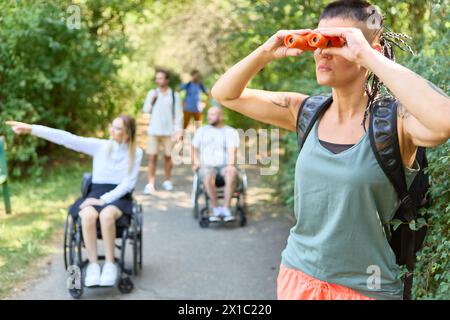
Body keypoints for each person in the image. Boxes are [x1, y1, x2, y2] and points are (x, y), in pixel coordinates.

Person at [211, 0, 450, 300]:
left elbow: (444, 121)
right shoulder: (304, 111)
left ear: (366, 51)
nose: (322, 51)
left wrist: (368, 55)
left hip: (367, 289)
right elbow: (225, 93)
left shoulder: (396, 123)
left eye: (338, 43)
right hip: (297, 278)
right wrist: (267, 50)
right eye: (320, 40)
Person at [6, 115, 143, 287]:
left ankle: (109, 265)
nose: (111, 130)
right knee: (87, 215)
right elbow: (67, 138)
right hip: (96, 191)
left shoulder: (136, 153)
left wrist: (104, 200)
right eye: (112, 126)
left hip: (118, 195)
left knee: (107, 215)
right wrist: (32, 129)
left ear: (128, 134)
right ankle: (93, 266)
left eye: (117, 128)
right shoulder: (100, 146)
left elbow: (128, 183)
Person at [191, 106, 240, 222]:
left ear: (221, 116)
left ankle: (226, 209)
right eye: (208, 114)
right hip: (207, 166)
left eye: (213, 114)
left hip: (224, 166)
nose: (209, 117)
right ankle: (216, 208)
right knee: (208, 176)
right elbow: (193, 148)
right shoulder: (201, 131)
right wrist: (196, 161)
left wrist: (230, 165)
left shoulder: (230, 132)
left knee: (231, 173)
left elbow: (232, 151)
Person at [142, 68, 183, 194]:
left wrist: (177, 131)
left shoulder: (174, 96)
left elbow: (178, 115)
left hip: (169, 132)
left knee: (168, 157)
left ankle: (167, 181)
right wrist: (152, 100)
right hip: (154, 131)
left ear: (167, 80)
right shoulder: (152, 93)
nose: (158, 80)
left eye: (161, 78)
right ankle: (151, 184)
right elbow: (146, 110)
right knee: (152, 157)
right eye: (157, 78)